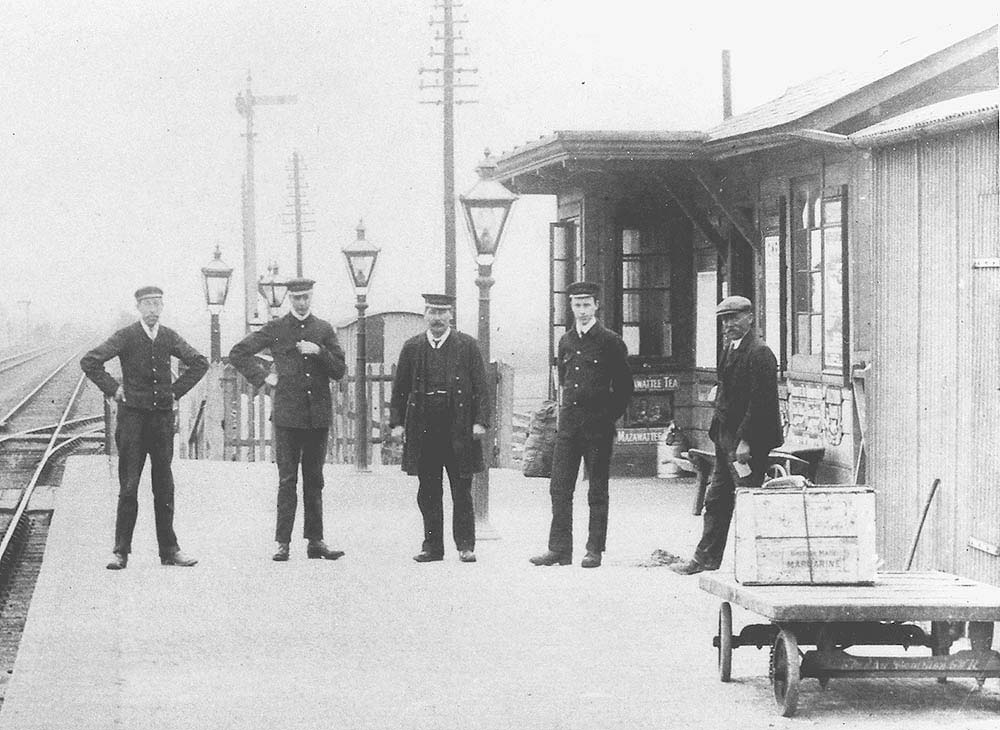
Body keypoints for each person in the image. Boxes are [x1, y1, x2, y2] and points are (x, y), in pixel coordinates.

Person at [81, 286, 208, 570]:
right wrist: (114, 389)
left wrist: (175, 391)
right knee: (129, 487)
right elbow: (90, 361)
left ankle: (170, 551)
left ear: (162, 307)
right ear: (138, 307)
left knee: (164, 487)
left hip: (161, 422)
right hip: (132, 422)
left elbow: (200, 363)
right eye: (147, 304)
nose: (152, 309)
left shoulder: (168, 336)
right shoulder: (126, 336)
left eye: (157, 304)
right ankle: (120, 552)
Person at [228, 278, 347, 562]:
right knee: (287, 479)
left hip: (317, 417)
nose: (301, 303)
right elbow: (238, 353)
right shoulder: (277, 328)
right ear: (289, 299)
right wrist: (264, 377)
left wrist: (319, 352)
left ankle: (315, 541)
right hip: (287, 417)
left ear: (311, 297)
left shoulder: (324, 329)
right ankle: (282, 542)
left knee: (315, 480)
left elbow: (339, 370)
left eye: (305, 297)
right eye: (297, 298)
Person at [671, 295, 783, 575]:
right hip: (725, 439)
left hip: (747, 444)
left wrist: (746, 440)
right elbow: (728, 389)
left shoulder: (760, 353)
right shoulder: (729, 350)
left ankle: (759, 564)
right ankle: (705, 559)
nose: (728, 325)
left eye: (734, 318)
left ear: (750, 318)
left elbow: (761, 403)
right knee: (717, 499)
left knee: (748, 501)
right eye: (724, 319)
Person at [530, 281, 632, 569]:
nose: (582, 310)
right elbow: (564, 382)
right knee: (559, 488)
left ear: (596, 306)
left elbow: (624, 388)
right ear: (571, 307)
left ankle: (594, 549)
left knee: (596, 490)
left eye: (587, 304)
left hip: (597, 428)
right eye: (577, 305)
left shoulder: (611, 341)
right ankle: (559, 550)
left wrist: (606, 417)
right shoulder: (566, 341)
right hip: (569, 428)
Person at [390, 294, 489, 563]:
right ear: (425, 314)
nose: (436, 318)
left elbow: (481, 387)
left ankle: (466, 546)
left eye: (442, 312)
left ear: (450, 316)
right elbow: (399, 390)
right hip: (424, 429)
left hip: (458, 429)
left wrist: (480, 421)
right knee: (428, 490)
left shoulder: (467, 346)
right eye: (432, 312)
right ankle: (432, 547)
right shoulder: (412, 348)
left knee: (461, 490)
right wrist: (397, 423)